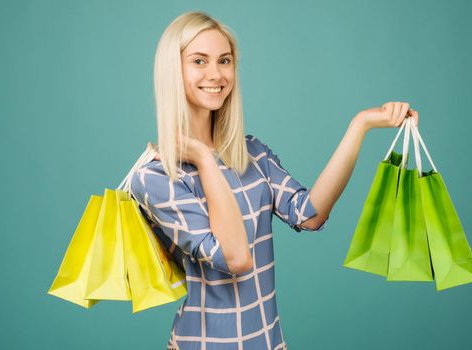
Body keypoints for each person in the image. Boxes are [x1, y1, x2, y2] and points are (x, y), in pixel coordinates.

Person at [129, 10, 419, 350]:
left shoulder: (251, 153)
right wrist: (205, 160)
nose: (216, 73)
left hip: (268, 342)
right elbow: (235, 259)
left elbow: (310, 214)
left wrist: (361, 125)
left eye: (224, 60)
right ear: (172, 71)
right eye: (198, 61)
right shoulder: (155, 177)